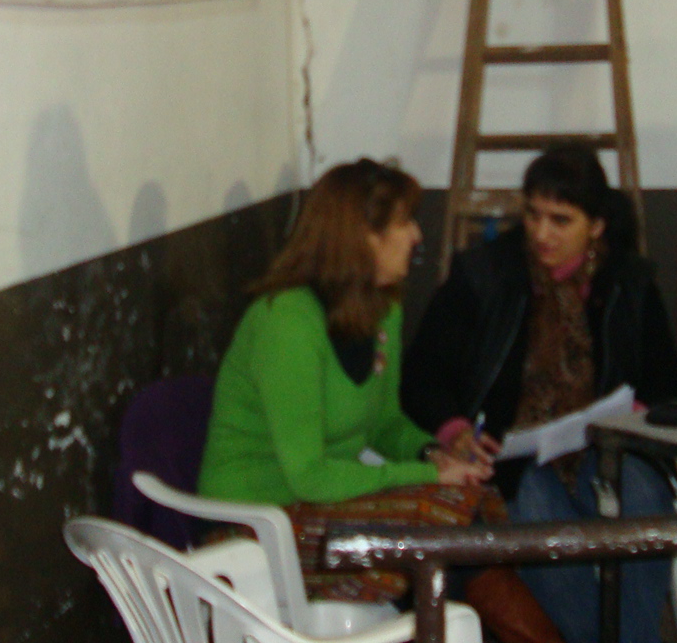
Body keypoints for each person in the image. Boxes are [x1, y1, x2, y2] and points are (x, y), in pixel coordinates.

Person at [199, 158, 561, 643]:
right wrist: (427, 477)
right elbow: (308, 476)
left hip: (322, 504)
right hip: (259, 523)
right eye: (404, 222)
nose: (417, 236)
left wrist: (433, 453)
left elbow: (385, 426)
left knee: (460, 515)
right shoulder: (286, 322)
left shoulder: (383, 307)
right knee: (444, 523)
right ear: (363, 238)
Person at [403, 145, 677, 643]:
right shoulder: (485, 274)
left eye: (560, 220)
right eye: (533, 215)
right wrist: (456, 429)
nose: (541, 233)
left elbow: (665, 381)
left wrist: (627, 418)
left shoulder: (629, 281)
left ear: (596, 226)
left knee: (642, 493)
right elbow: (423, 373)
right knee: (532, 502)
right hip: (512, 455)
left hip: (607, 447)